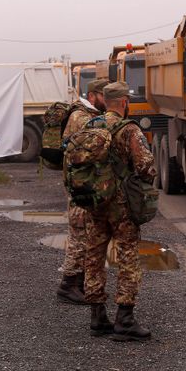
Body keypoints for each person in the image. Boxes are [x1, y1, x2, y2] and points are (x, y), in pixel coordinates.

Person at [84, 81, 156, 341]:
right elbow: (146, 166)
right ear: (124, 102)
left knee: (94, 256)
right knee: (127, 257)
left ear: (104, 99)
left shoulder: (90, 126)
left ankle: (97, 316)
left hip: (94, 202)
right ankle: (124, 318)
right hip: (122, 206)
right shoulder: (129, 130)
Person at [56, 79, 109, 304]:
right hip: (79, 186)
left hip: (82, 184)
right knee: (78, 235)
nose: (107, 101)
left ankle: (79, 282)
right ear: (94, 94)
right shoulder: (81, 117)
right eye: (104, 96)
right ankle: (68, 284)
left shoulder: (86, 114)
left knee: (85, 234)